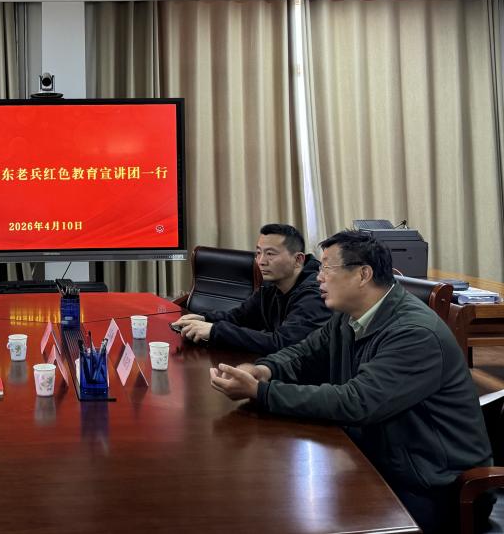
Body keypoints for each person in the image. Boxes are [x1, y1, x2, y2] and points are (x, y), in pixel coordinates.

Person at [208, 230, 492, 533]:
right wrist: (264, 370)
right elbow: (303, 354)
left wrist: (262, 392)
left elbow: (356, 402)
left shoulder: (415, 333)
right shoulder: (350, 316)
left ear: (362, 274)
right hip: (380, 459)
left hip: (435, 487)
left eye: (327, 268)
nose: (318, 277)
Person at [173, 223, 331, 354]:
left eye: (270, 254)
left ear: (298, 259)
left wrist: (215, 331)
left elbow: (282, 343)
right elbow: (239, 317)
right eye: (258, 253)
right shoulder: (271, 284)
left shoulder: (316, 294)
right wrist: (203, 319)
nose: (261, 261)